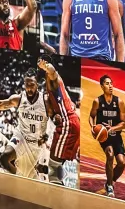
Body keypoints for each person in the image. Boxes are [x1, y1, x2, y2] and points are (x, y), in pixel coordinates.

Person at [0, 69, 49, 179]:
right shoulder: (19, 99)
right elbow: (0, 104)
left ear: (37, 84)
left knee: (30, 176)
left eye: (32, 85)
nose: (29, 88)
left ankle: (20, 181)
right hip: (21, 136)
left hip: (36, 144)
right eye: (27, 85)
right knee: (3, 158)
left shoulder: (45, 101)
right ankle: (16, 181)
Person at [38, 55, 80, 186]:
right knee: (57, 167)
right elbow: (51, 112)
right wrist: (53, 116)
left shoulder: (54, 78)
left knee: (53, 169)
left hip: (68, 124)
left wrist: (46, 66)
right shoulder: (48, 85)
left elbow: (52, 71)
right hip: (70, 123)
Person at [89, 74, 125, 198]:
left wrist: (113, 128)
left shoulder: (119, 102)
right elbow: (91, 116)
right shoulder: (97, 101)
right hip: (105, 137)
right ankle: (110, 186)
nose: (110, 86)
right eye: (107, 83)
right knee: (110, 154)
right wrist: (92, 127)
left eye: (111, 83)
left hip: (116, 136)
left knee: (121, 163)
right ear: (101, 86)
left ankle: (110, 181)